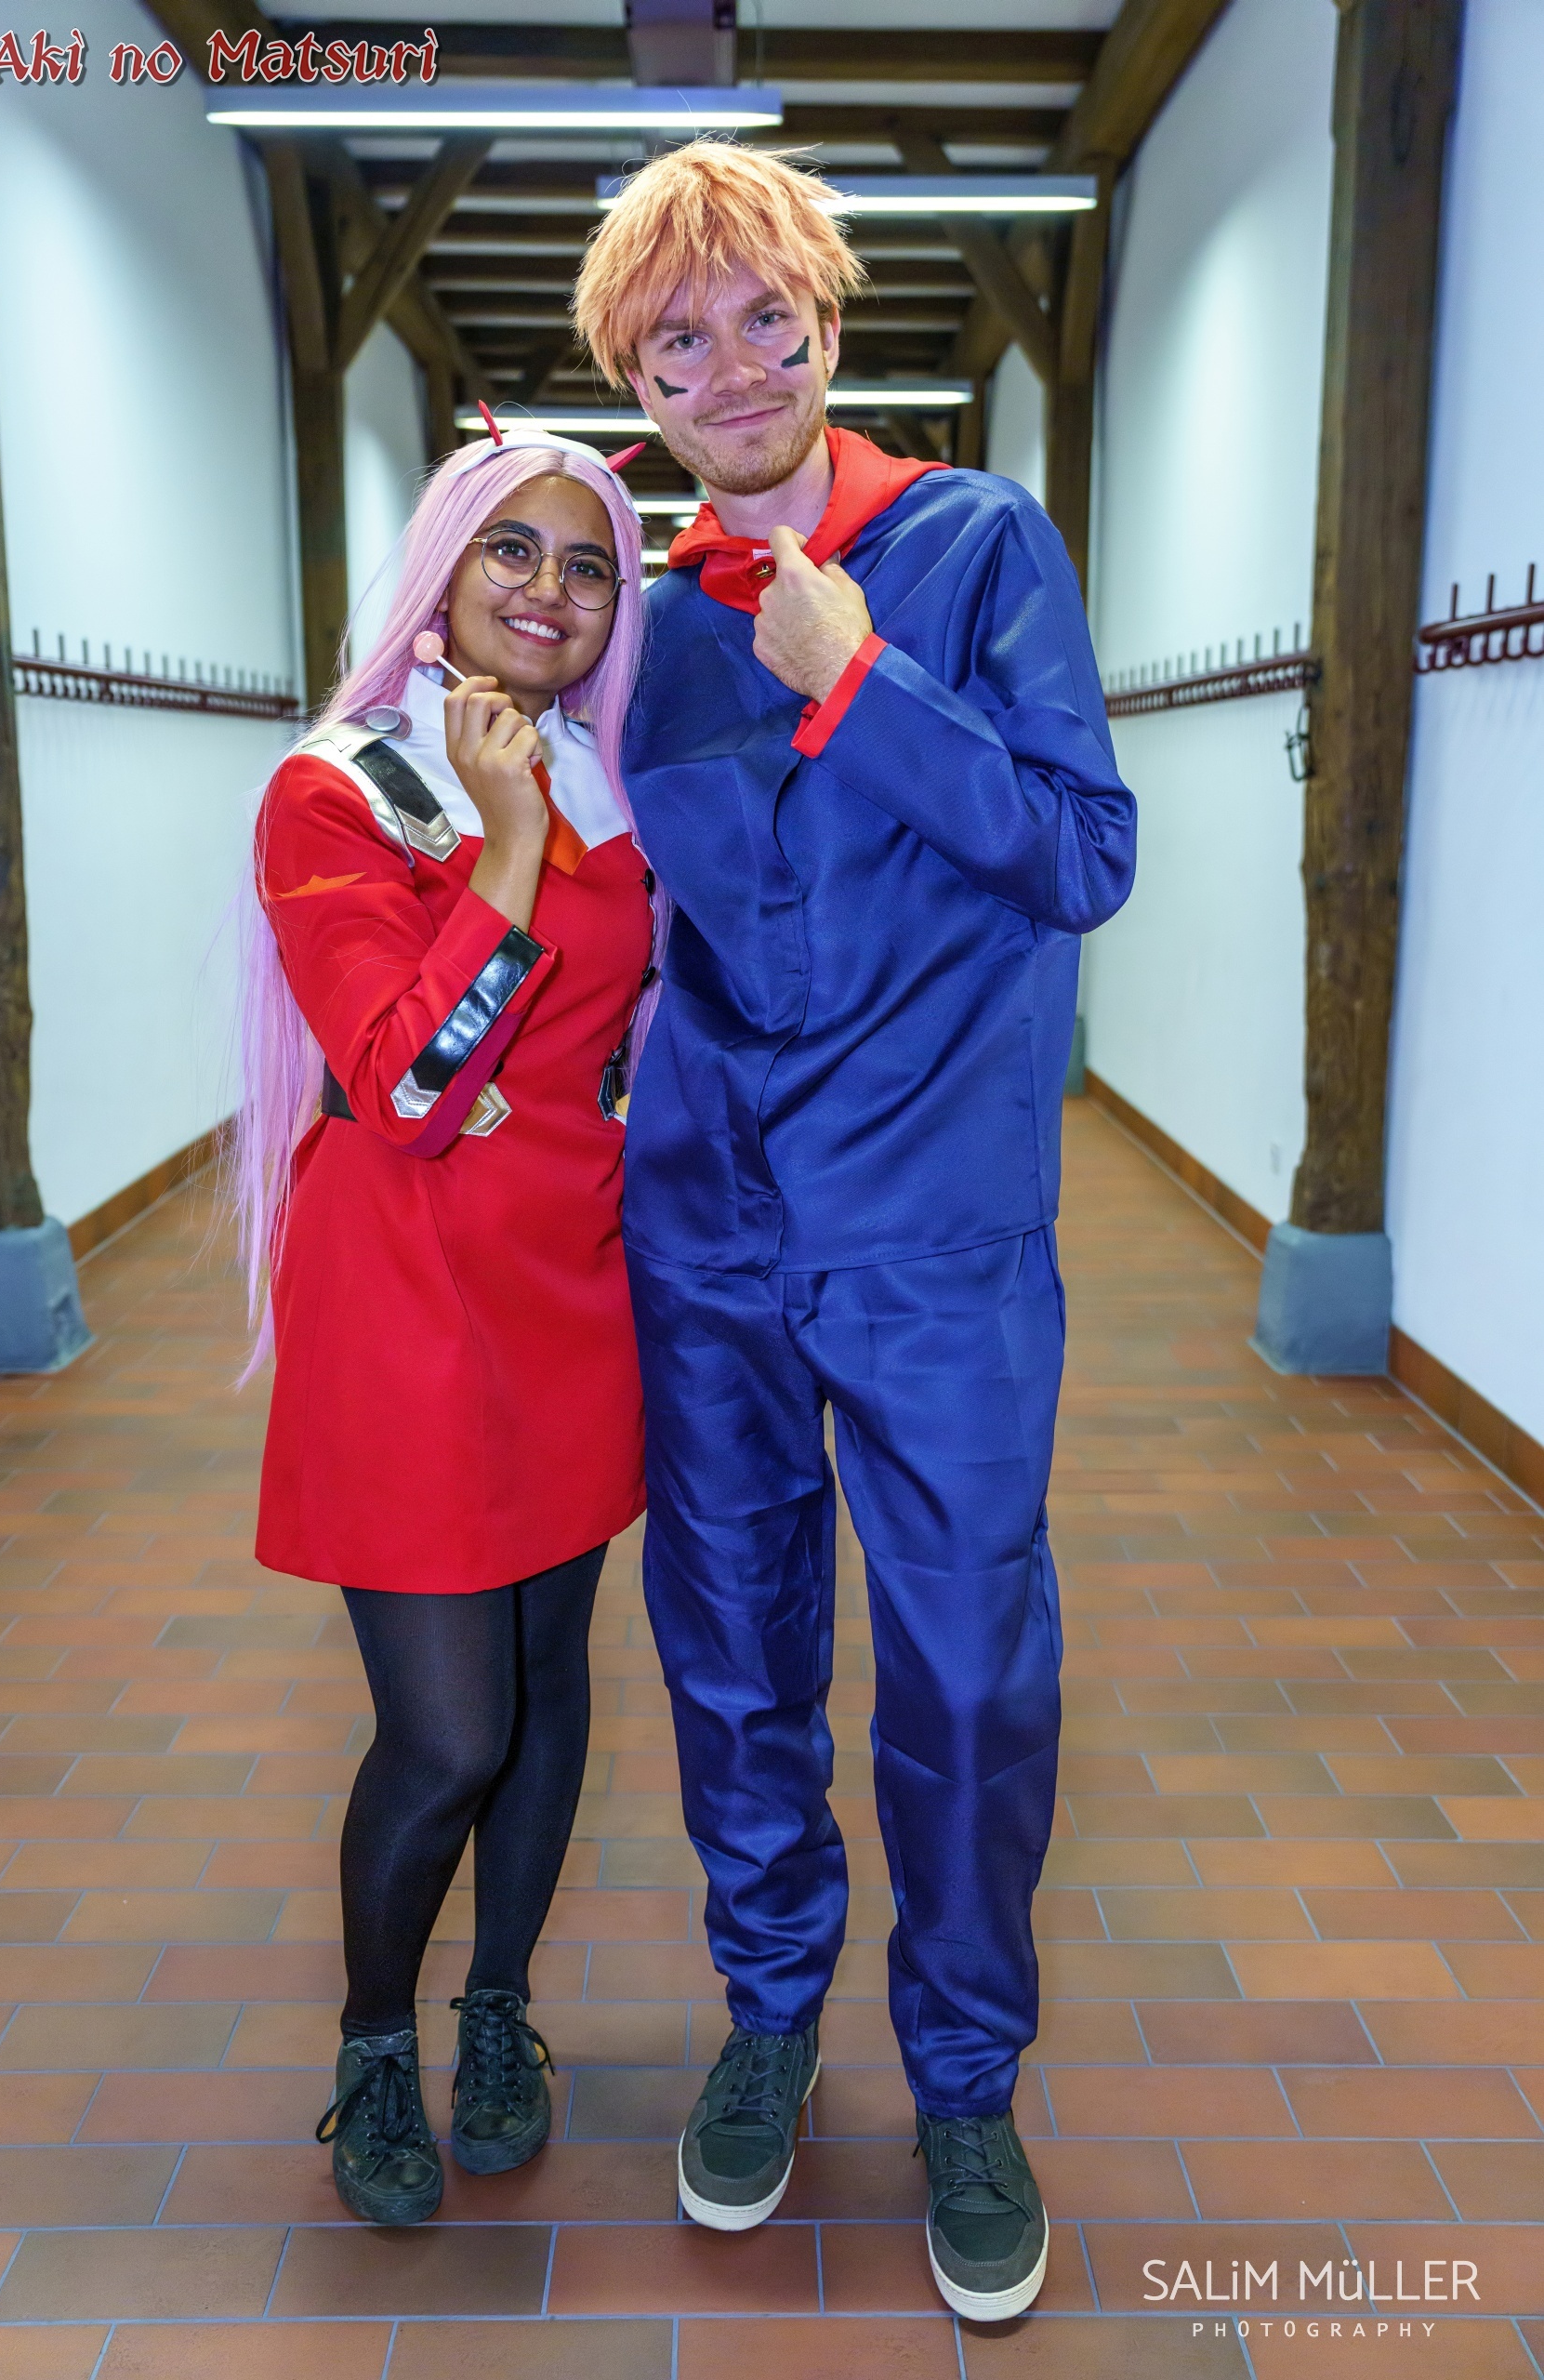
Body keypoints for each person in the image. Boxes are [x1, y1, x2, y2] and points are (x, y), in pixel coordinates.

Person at [573, 142, 1137, 2320]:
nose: (725, 365)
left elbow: (1075, 851)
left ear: (823, 321)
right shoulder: (646, 622)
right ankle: (769, 2008)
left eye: (757, 317)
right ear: (638, 384)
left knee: (970, 1664)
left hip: (935, 1230)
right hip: (707, 1220)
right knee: (728, 1646)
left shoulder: (970, 546)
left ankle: (965, 2076)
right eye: (673, 341)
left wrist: (855, 674)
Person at [232, 424, 656, 2226]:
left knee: (548, 1691)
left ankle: (497, 2012)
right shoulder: (338, 788)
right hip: (403, 1297)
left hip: (571, 1287)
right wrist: (507, 841)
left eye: (588, 565)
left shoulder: (617, 777)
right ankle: (370, 2043)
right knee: (448, 1730)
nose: (550, 592)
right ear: (443, 568)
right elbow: (405, 1084)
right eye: (514, 551)